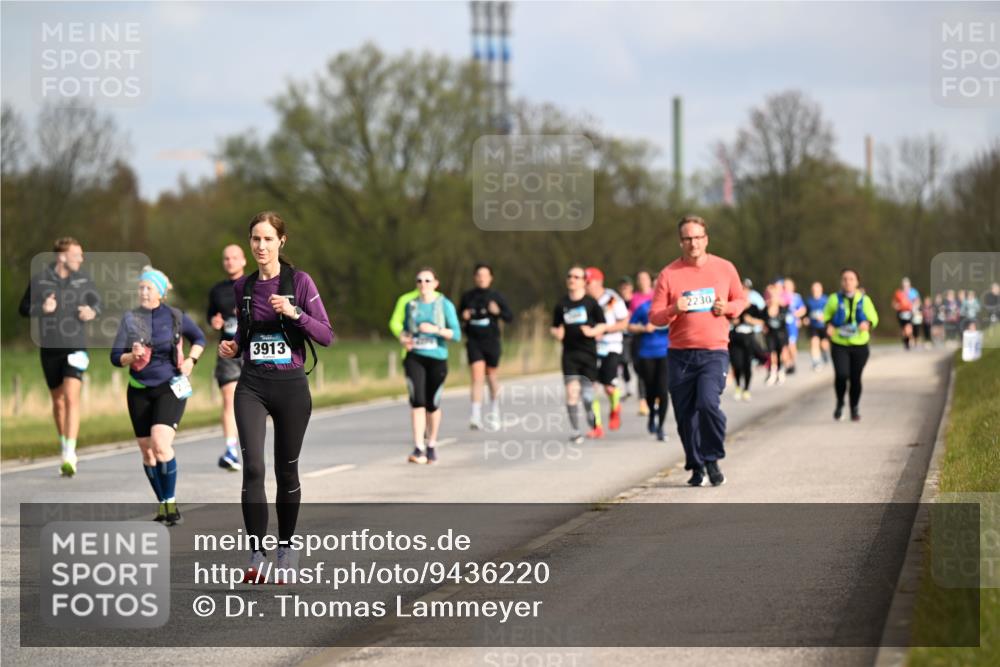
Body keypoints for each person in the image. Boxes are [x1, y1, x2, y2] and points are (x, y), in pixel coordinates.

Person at [218, 211, 333, 581]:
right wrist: (233, 347)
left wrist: (296, 313)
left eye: (268, 239)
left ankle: (286, 548)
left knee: (287, 471)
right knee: (252, 469)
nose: (261, 246)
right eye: (255, 239)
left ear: (282, 241)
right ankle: (256, 555)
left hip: (290, 387)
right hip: (251, 385)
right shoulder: (244, 287)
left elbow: (326, 335)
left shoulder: (299, 281)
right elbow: (247, 336)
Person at [650, 215, 746, 487]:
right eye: (687, 238)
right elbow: (654, 316)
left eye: (698, 237)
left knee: (707, 403)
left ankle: (712, 458)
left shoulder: (725, 268)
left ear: (706, 239)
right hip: (680, 354)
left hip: (713, 351)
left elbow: (740, 300)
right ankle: (696, 465)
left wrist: (726, 308)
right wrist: (673, 309)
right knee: (684, 417)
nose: (693, 243)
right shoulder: (669, 274)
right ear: (681, 242)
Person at [111, 267, 206, 525]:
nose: (143, 292)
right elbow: (114, 357)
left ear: (160, 293)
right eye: (140, 287)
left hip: (170, 387)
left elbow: (199, 338)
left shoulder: (175, 316)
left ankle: (171, 504)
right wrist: (132, 355)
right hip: (138, 389)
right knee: (147, 452)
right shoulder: (130, 318)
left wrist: (191, 361)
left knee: (161, 445)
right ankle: (163, 504)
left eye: (148, 288)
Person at [18, 237, 101, 477]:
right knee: (58, 402)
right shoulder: (41, 280)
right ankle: (64, 444)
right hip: (50, 348)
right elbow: (23, 308)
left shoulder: (84, 280)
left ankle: (70, 454)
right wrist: (41, 309)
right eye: (77, 255)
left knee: (71, 397)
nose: (81, 259)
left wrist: (91, 311)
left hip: (76, 347)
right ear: (62, 256)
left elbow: (98, 304)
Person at [398, 268, 461, 464]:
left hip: (437, 358)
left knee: (432, 404)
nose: (423, 284)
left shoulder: (444, 305)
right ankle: (418, 447)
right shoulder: (411, 305)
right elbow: (406, 330)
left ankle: (431, 443)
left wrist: (436, 330)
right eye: (419, 281)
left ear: (435, 283)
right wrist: (404, 338)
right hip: (415, 357)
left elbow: (457, 334)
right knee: (417, 401)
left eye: (427, 280)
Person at [551, 266, 607, 444]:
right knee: (571, 393)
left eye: (576, 277)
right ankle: (575, 431)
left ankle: (591, 418)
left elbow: (602, 325)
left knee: (588, 397)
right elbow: (554, 325)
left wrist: (592, 332)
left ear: (584, 281)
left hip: (588, 354)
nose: (572, 279)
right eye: (569, 276)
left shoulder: (591, 303)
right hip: (570, 354)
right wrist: (557, 332)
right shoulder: (562, 304)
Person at [206, 244, 247, 471]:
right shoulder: (217, 290)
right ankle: (231, 449)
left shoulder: (253, 284)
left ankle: (251, 447)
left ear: (243, 261)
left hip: (252, 349)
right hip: (228, 349)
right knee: (229, 398)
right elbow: (211, 316)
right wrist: (215, 322)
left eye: (234, 258)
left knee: (254, 401)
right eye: (226, 259)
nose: (230, 261)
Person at [458, 264, 513, 431]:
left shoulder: (496, 296)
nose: (482, 278)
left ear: (490, 278)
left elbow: (509, 316)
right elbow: (456, 318)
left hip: (491, 341)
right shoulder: (468, 297)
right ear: (475, 277)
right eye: (479, 275)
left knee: (491, 376)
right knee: (477, 376)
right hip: (474, 341)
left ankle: (494, 411)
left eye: (485, 275)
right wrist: (464, 316)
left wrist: (497, 312)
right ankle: (475, 415)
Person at [824, 268, 879, 422]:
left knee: (855, 378)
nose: (848, 282)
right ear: (841, 281)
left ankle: (854, 407)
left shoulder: (864, 300)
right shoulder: (834, 299)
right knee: (841, 375)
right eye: (845, 279)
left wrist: (867, 324)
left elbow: (874, 318)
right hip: (839, 343)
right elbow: (826, 316)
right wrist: (828, 325)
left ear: (857, 282)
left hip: (859, 344)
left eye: (851, 279)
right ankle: (840, 402)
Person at [585, 267, 630, 433]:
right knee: (590, 387)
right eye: (585, 282)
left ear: (598, 282)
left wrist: (604, 330)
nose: (586, 285)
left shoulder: (611, 298)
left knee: (609, 387)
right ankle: (596, 426)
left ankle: (615, 408)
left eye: (589, 282)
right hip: (591, 348)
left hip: (611, 346)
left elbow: (624, 322)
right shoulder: (585, 300)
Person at [628, 298, 669, 440]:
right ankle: (652, 414)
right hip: (646, 353)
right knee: (650, 390)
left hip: (666, 353)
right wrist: (644, 328)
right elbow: (630, 326)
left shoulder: (673, 306)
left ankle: (661, 428)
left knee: (663, 391)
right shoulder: (644, 307)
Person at [729, 283, 764, 401]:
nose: (744, 292)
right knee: (737, 364)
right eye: (742, 290)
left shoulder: (753, 307)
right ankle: (738, 386)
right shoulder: (735, 305)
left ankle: (747, 389)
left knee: (747, 365)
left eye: (746, 290)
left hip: (748, 338)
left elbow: (761, 322)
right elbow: (728, 319)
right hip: (735, 338)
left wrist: (750, 320)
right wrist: (734, 321)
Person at [630, 270, 655, 416]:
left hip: (658, 339)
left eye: (645, 278)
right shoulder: (635, 298)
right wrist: (642, 328)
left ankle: (656, 396)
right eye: (639, 278)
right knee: (640, 371)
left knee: (656, 371)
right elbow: (631, 320)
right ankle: (642, 402)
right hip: (640, 337)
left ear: (650, 280)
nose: (642, 281)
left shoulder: (656, 295)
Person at [763, 284, 790, 386]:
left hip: (782, 333)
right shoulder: (766, 307)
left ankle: (781, 371)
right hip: (771, 334)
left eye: (774, 294)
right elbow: (764, 321)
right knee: (772, 353)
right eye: (770, 294)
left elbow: (787, 316)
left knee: (782, 352)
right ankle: (773, 373)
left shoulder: (783, 306)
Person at [803, 281, 830, 371]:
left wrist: (824, 317)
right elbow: (805, 313)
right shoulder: (808, 301)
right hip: (813, 326)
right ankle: (816, 362)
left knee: (824, 344)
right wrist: (805, 319)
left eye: (817, 289)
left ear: (821, 290)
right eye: (814, 290)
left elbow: (831, 312)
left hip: (823, 326)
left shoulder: (826, 300)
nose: (815, 291)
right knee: (814, 342)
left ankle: (825, 353)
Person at [617, 276, 636, 400]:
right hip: (623, 336)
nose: (625, 289)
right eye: (622, 287)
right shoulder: (616, 302)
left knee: (638, 363)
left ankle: (642, 389)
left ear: (631, 287)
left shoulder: (636, 300)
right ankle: (628, 388)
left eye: (627, 286)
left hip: (637, 335)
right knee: (624, 362)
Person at [782, 278, 806, 373]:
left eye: (789, 286)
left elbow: (803, 309)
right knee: (784, 346)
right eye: (785, 286)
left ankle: (792, 362)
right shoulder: (781, 297)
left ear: (793, 287)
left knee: (791, 345)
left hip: (792, 325)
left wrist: (796, 315)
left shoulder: (797, 297)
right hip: (782, 325)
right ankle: (787, 364)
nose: (786, 287)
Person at [892, 277, 919, 350]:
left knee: (908, 327)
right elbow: (894, 303)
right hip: (901, 312)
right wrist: (896, 306)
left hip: (909, 312)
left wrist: (915, 307)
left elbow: (917, 301)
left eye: (907, 285)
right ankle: (906, 342)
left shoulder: (913, 292)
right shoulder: (898, 293)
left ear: (909, 285)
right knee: (903, 329)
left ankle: (911, 339)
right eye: (904, 285)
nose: (905, 287)